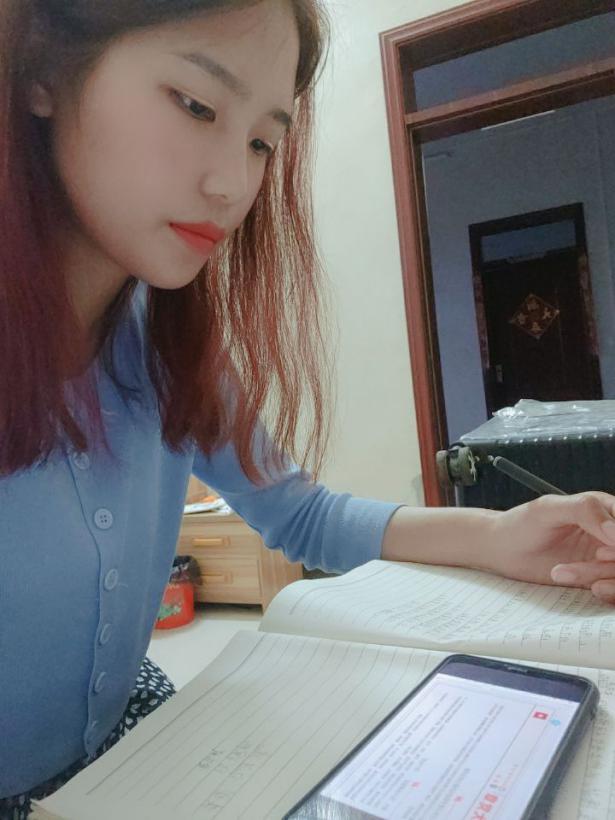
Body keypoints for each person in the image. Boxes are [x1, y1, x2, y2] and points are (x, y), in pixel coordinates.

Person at [1, 0, 615, 815]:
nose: (232, 185)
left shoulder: (166, 344)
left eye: (262, 142)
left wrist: (498, 536)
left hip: (125, 739)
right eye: (196, 105)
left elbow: (301, 513)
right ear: (44, 68)